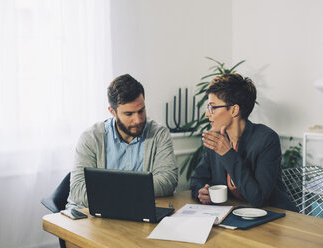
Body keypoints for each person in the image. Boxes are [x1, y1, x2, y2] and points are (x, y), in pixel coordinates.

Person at [67, 74, 178, 209]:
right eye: (129, 114)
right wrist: (130, 193)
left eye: (141, 111)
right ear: (112, 112)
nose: (137, 120)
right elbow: (78, 189)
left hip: (136, 212)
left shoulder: (159, 134)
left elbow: (168, 180)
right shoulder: (91, 137)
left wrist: (115, 192)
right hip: (93, 214)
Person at [190, 73, 297, 211]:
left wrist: (228, 153)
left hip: (274, 217)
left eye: (212, 107)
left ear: (234, 110)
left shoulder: (267, 140)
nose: (207, 114)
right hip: (236, 214)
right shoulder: (217, 139)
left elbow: (259, 198)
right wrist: (201, 192)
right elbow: (197, 180)